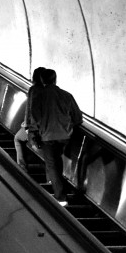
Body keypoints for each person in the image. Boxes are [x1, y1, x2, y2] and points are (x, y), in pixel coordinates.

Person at [27, 68, 83, 205]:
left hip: (47, 136)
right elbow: (78, 117)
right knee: (56, 160)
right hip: (65, 136)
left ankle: (60, 196)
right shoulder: (66, 95)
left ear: (42, 80)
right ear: (55, 79)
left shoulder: (39, 96)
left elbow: (35, 117)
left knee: (52, 164)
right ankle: (55, 183)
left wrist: (33, 133)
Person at [14, 67, 47, 170]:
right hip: (49, 128)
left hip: (35, 128)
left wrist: (27, 126)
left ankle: (22, 168)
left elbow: (31, 110)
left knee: (18, 138)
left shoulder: (34, 89)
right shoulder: (50, 90)